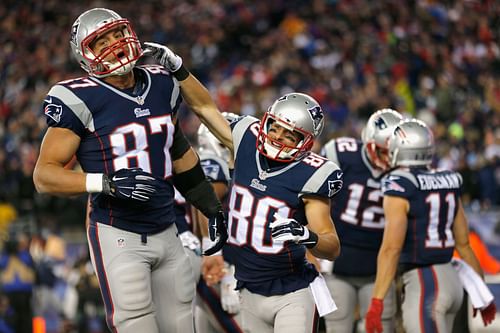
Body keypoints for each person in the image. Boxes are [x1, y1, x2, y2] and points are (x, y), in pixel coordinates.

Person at [33, 7, 228, 333]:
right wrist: (103, 182)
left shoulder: (161, 82)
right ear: (85, 56)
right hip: (118, 232)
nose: (115, 44)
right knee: (135, 322)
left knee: (182, 324)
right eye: (102, 40)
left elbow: (177, 150)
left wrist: (211, 206)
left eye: (118, 33)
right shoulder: (78, 97)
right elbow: (44, 176)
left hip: (168, 229)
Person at [365, 119, 496, 333]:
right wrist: (481, 292)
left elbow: (391, 249)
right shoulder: (447, 179)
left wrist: (377, 301)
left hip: (425, 282)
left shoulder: (399, 183)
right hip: (454, 281)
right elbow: (464, 245)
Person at [320, 108, 402, 333]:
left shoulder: (405, 171)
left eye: (393, 152)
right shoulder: (341, 155)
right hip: (338, 263)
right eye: (383, 151)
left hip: (378, 268)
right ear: (369, 142)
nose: (388, 158)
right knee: (337, 324)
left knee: (382, 326)